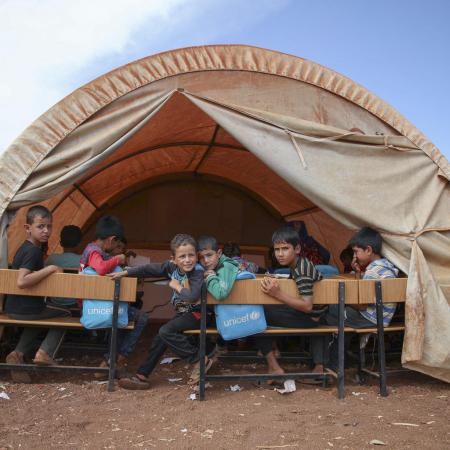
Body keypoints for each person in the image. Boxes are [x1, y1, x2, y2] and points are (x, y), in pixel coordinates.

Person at [109, 234, 205, 390]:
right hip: (184, 313)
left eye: (191, 255)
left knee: (165, 331)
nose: (187, 260)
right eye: (182, 256)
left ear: (196, 256)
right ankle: (142, 375)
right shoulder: (171, 267)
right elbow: (149, 269)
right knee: (161, 336)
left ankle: (199, 360)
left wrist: (176, 286)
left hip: (198, 313)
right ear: (173, 259)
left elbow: (193, 297)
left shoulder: (197, 272)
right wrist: (127, 272)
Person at [4, 205, 71, 382]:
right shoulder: (33, 251)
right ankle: (45, 353)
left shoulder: (24, 247)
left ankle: (17, 353)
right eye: (40, 226)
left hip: (13, 307)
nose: (46, 231)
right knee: (66, 315)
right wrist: (50, 268)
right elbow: (22, 281)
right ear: (27, 228)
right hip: (26, 308)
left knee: (41, 318)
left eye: (49, 226)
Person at [255, 226, 325, 381]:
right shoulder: (298, 265)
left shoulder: (302, 270)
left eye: (285, 249)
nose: (280, 254)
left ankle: (273, 365)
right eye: (277, 249)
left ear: (297, 249)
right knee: (261, 310)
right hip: (307, 315)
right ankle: (273, 352)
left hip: (310, 318)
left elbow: (307, 306)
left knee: (254, 314)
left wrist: (277, 293)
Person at [325, 227, 399, 368]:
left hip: (370, 317)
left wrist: (344, 299)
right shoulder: (385, 266)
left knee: (331, 312)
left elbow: (362, 305)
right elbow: (364, 295)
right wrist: (358, 274)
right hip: (381, 316)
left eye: (356, 252)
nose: (354, 256)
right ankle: (340, 360)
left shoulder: (372, 271)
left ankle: (333, 364)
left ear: (369, 250)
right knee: (338, 314)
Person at [100, 236, 149, 376]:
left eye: (123, 249)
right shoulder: (113, 264)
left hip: (111, 305)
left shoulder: (107, 261)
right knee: (139, 317)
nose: (121, 252)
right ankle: (120, 357)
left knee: (124, 317)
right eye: (119, 248)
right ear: (111, 245)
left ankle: (111, 359)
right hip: (111, 305)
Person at [45, 225, 83, 306]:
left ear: (61, 243)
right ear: (79, 244)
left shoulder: (51, 259)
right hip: (75, 303)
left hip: (54, 302)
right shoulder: (83, 260)